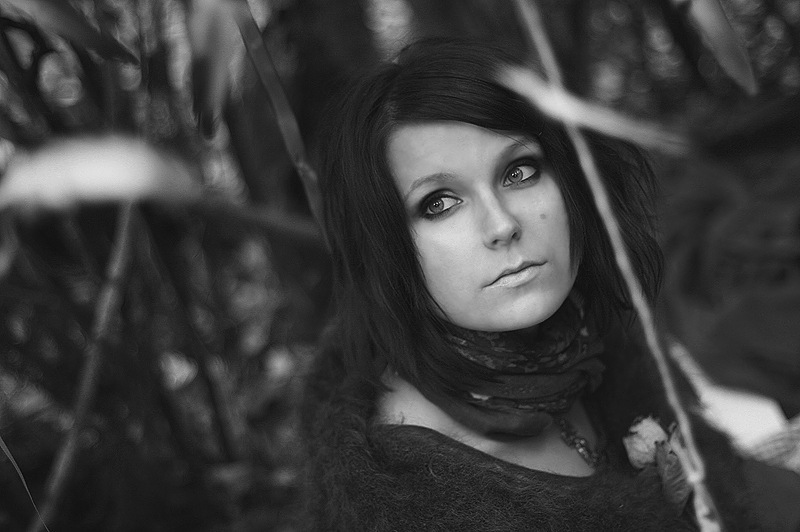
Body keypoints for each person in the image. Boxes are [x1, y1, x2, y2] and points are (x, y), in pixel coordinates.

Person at [298, 38, 766, 531]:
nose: (502, 225)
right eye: (440, 203)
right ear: (385, 249)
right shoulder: (409, 501)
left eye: (519, 172)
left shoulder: (602, 335)